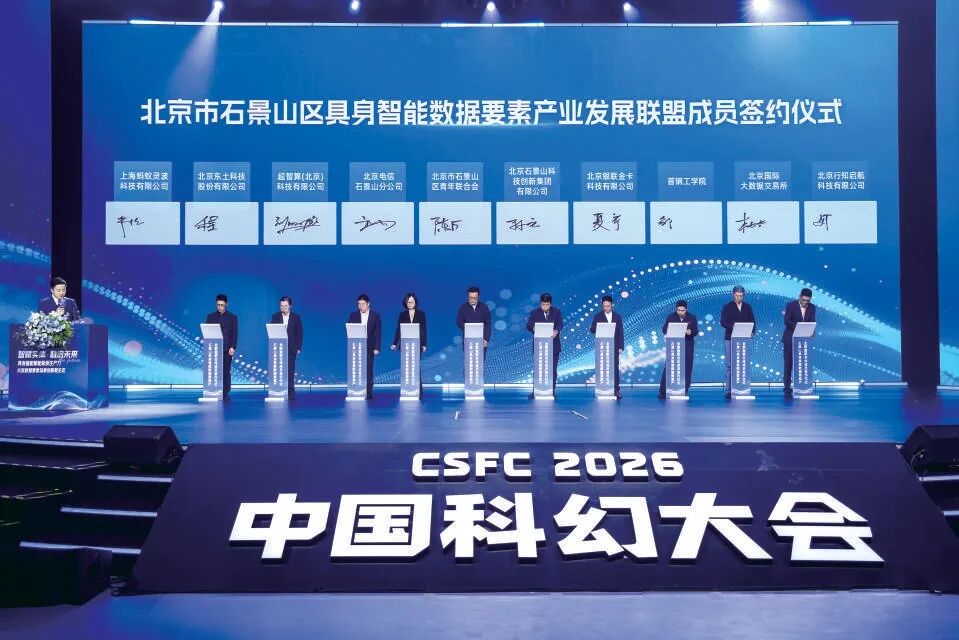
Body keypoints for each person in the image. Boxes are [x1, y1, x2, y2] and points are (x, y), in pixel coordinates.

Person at [720, 285, 756, 399]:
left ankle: (743, 388)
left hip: (744, 339)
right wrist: (735, 328)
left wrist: (752, 331)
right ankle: (729, 390)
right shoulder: (727, 307)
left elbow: (753, 321)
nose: (739, 298)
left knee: (743, 364)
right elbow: (723, 322)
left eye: (741, 296)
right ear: (733, 295)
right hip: (730, 339)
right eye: (737, 295)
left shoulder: (747, 307)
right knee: (730, 365)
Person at [658, 299, 698, 398]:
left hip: (687, 345)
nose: (680, 312)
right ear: (676, 309)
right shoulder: (671, 317)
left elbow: (696, 331)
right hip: (674, 345)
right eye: (678, 310)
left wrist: (689, 332)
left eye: (682, 310)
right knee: (669, 367)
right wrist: (672, 329)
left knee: (687, 367)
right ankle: (663, 391)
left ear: (686, 309)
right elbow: (664, 330)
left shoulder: (692, 317)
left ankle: (684, 389)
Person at [526, 292, 563, 398]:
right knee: (539, 369)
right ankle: (536, 391)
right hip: (540, 346)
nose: (545, 306)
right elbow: (528, 325)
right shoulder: (534, 312)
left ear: (550, 303)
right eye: (543, 304)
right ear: (540, 303)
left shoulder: (556, 312)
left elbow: (560, 324)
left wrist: (556, 331)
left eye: (547, 304)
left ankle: (552, 391)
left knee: (552, 370)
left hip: (553, 345)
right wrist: (533, 328)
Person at [391, 292, 427, 397]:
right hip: (405, 345)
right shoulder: (402, 315)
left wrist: (424, 344)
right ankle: (407, 390)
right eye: (408, 302)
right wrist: (395, 343)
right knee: (407, 367)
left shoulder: (421, 314)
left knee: (416, 367)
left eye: (411, 302)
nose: (410, 304)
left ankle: (418, 391)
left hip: (417, 344)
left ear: (415, 302)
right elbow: (399, 329)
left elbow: (424, 329)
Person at [588, 295, 624, 399]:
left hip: (614, 346)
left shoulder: (617, 316)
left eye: (608, 306)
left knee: (614, 368)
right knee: (602, 368)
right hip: (602, 347)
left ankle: (616, 390)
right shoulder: (598, 316)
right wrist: (591, 328)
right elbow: (593, 330)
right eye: (604, 306)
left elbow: (620, 332)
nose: (606, 308)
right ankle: (602, 389)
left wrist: (621, 346)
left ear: (612, 305)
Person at [782, 288, 816, 397]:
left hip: (804, 339)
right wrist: (800, 328)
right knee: (788, 363)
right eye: (804, 300)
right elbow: (787, 321)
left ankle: (802, 385)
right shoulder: (791, 305)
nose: (805, 302)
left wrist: (811, 331)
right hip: (790, 338)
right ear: (800, 297)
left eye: (807, 301)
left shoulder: (812, 307)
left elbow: (812, 321)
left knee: (802, 363)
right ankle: (787, 387)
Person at [348, 293, 381, 399]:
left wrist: (377, 347)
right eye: (359, 304)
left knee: (368, 370)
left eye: (363, 304)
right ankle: (356, 390)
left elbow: (378, 333)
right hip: (356, 346)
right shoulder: (353, 315)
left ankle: (368, 392)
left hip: (369, 347)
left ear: (368, 304)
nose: (360, 306)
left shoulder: (375, 316)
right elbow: (348, 328)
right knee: (356, 369)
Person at [205, 293, 238, 400]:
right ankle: (213, 390)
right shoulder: (210, 317)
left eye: (222, 305)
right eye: (218, 305)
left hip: (227, 349)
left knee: (225, 371)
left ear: (226, 304)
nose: (220, 307)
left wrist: (233, 347)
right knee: (214, 371)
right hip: (213, 349)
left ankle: (225, 392)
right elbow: (207, 332)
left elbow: (235, 333)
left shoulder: (232, 317)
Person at [270, 296, 303, 400]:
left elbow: (299, 333)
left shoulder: (296, 317)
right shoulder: (275, 317)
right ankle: (277, 391)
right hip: (278, 348)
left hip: (291, 348)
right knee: (278, 371)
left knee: (290, 371)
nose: (283, 307)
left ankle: (291, 393)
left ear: (290, 306)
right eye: (281, 305)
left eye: (285, 305)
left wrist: (298, 347)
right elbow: (272, 331)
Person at [456, 286, 492, 351]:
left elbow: (488, 324)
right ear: (468, 296)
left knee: (481, 357)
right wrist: (469, 328)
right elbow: (459, 322)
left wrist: (486, 339)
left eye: (474, 298)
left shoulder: (484, 307)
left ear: (478, 297)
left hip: (481, 341)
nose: (472, 300)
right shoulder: (463, 308)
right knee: (469, 357)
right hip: (468, 340)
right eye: (470, 298)